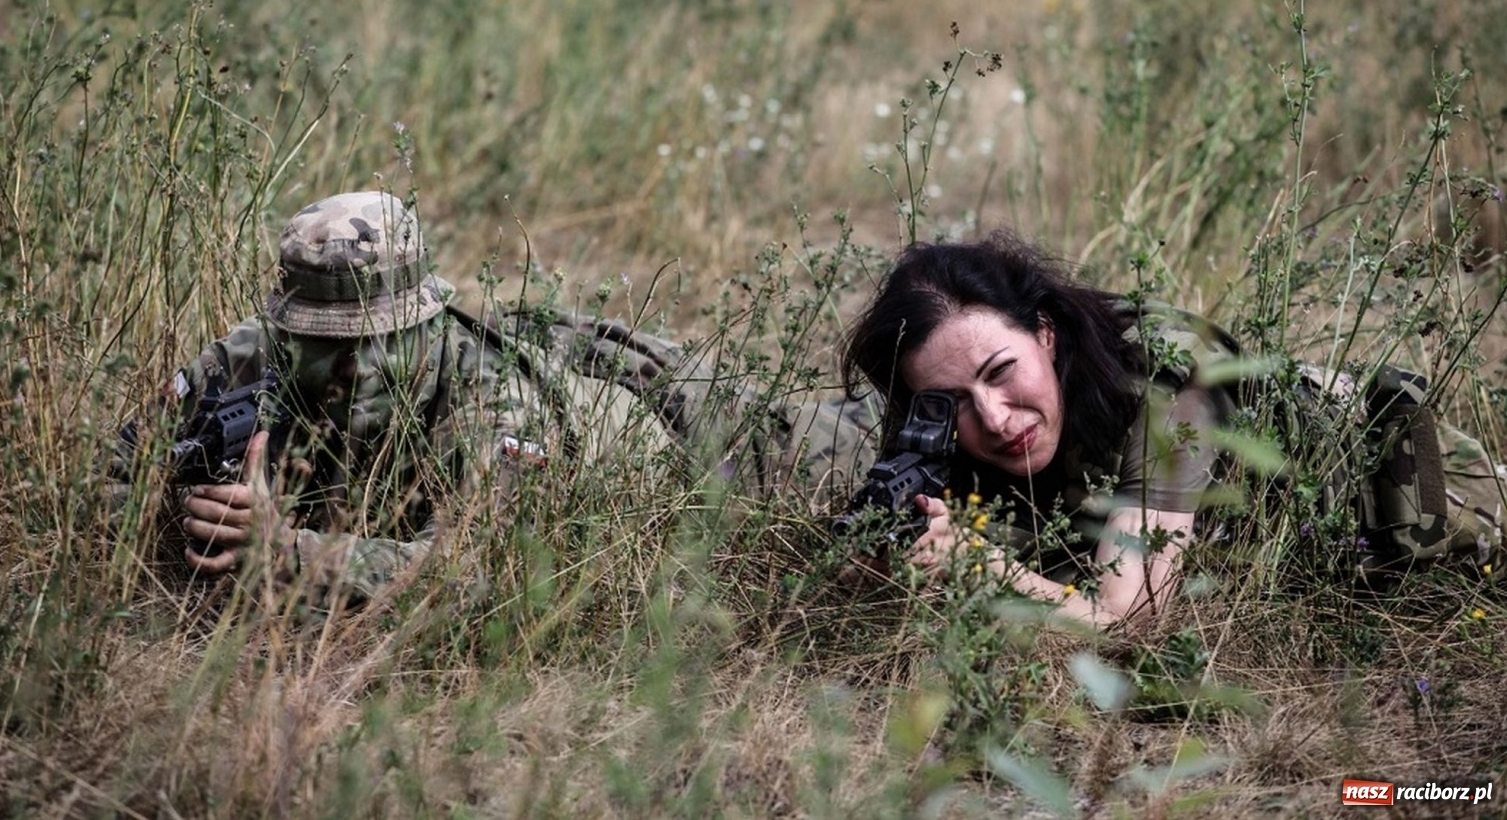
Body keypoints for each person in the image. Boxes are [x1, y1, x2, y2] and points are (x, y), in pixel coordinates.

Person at [114, 190, 874, 607]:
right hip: (568, 360)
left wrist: (290, 550)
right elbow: (121, 458)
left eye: (374, 338)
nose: (350, 362)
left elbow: (470, 574)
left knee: (855, 444)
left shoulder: (496, 403)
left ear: (425, 318)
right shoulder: (256, 351)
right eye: (325, 339)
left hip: (689, 454)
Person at [838, 231, 1507, 629]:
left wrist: (989, 571)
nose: (993, 417)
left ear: (1044, 332)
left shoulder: (1169, 385)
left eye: (1001, 371)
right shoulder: (935, 423)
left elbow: (1129, 623)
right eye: (951, 400)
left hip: (1434, 496)